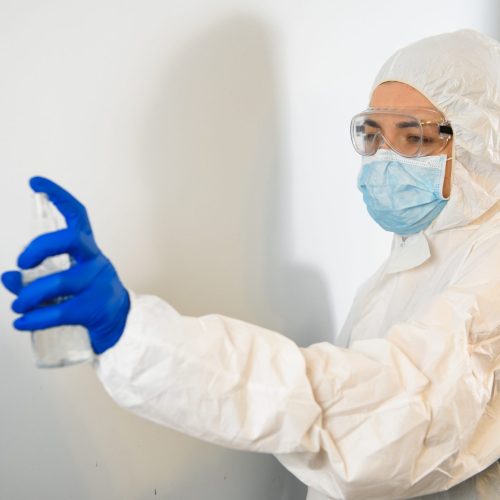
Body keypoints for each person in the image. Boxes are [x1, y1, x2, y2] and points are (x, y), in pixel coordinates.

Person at [2, 28, 500, 499]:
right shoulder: (419, 252)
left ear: (481, 145)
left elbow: (385, 413)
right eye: (372, 134)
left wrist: (136, 334)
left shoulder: (490, 272)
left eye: (414, 138)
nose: (383, 159)